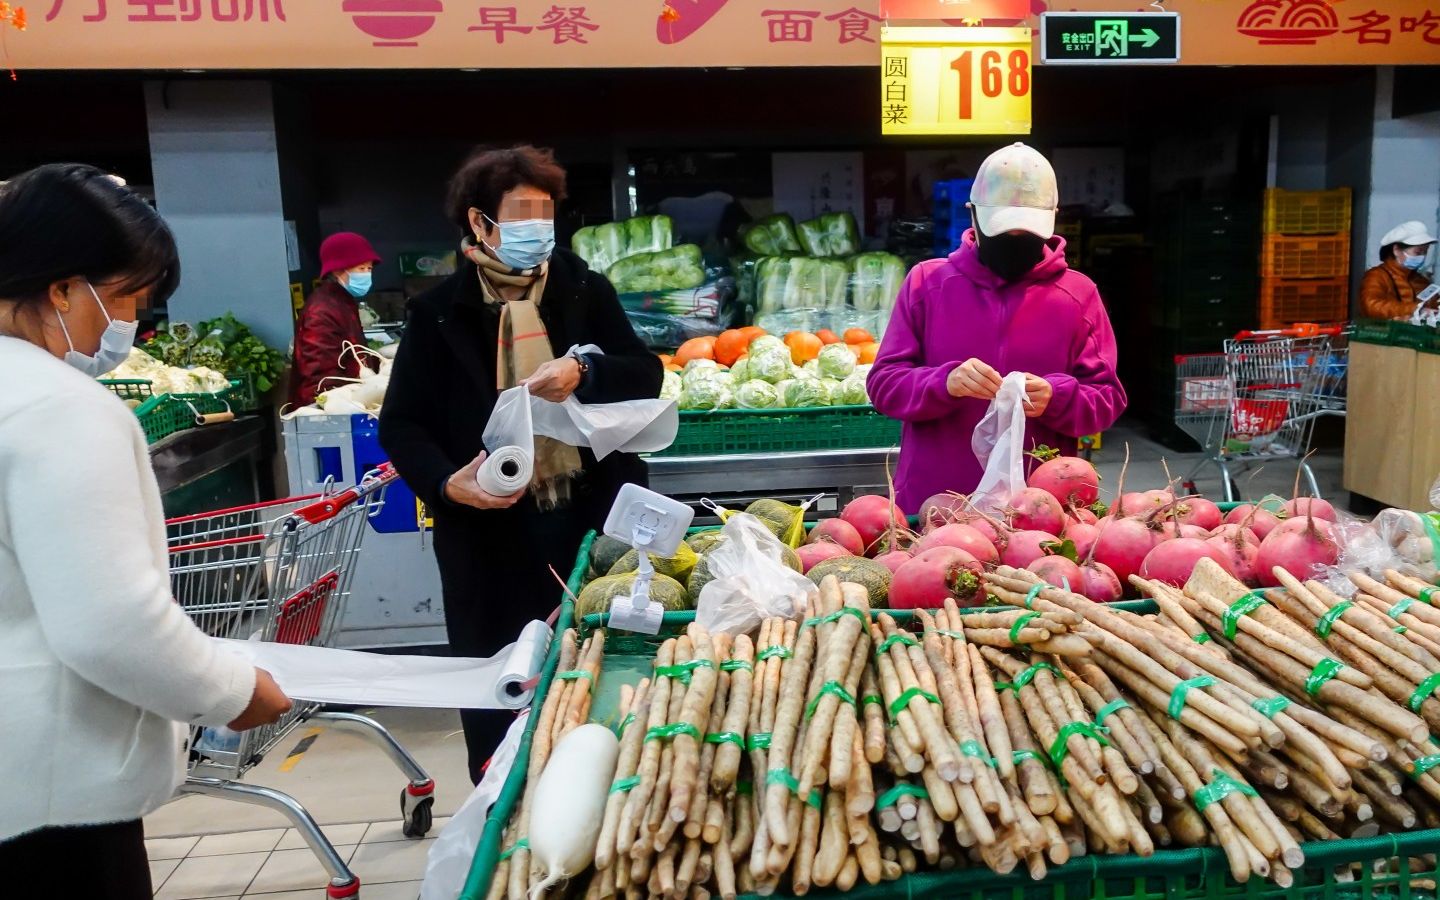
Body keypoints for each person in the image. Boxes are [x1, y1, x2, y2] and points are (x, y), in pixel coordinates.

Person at [0, 164, 292, 898]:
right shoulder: (58, 407)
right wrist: (230, 689)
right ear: (63, 288)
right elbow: (108, 624)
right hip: (53, 795)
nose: (132, 324)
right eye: (127, 297)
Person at [379, 146, 663, 781]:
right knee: (498, 687)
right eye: (523, 212)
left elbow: (644, 371)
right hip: (489, 537)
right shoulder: (438, 311)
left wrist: (585, 369)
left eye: (547, 211)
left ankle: (599, 792)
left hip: (592, 525)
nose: (540, 225)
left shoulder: (583, 287)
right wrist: (446, 485)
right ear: (481, 223)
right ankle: (499, 809)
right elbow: (403, 421)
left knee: (597, 677)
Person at [868, 143, 1127, 513]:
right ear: (972, 217)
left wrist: (1056, 397)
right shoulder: (927, 283)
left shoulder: (1077, 294)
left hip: (1037, 513)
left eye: (1028, 232)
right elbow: (884, 385)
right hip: (933, 504)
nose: (1015, 242)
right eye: (1003, 231)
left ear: (1053, 218)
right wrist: (944, 383)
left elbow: (1106, 399)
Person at [289, 231, 382, 408]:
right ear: (338, 271)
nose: (366, 275)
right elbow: (320, 379)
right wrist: (338, 405)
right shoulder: (322, 311)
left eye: (369, 269)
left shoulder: (342, 302)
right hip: (326, 411)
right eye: (361, 269)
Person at [1359, 220, 1436, 320]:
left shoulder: (1420, 280)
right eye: (1417, 252)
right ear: (1396, 250)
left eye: (1425, 252)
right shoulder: (1377, 276)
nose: (1422, 257)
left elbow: (1434, 303)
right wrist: (1416, 309)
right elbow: (1372, 305)